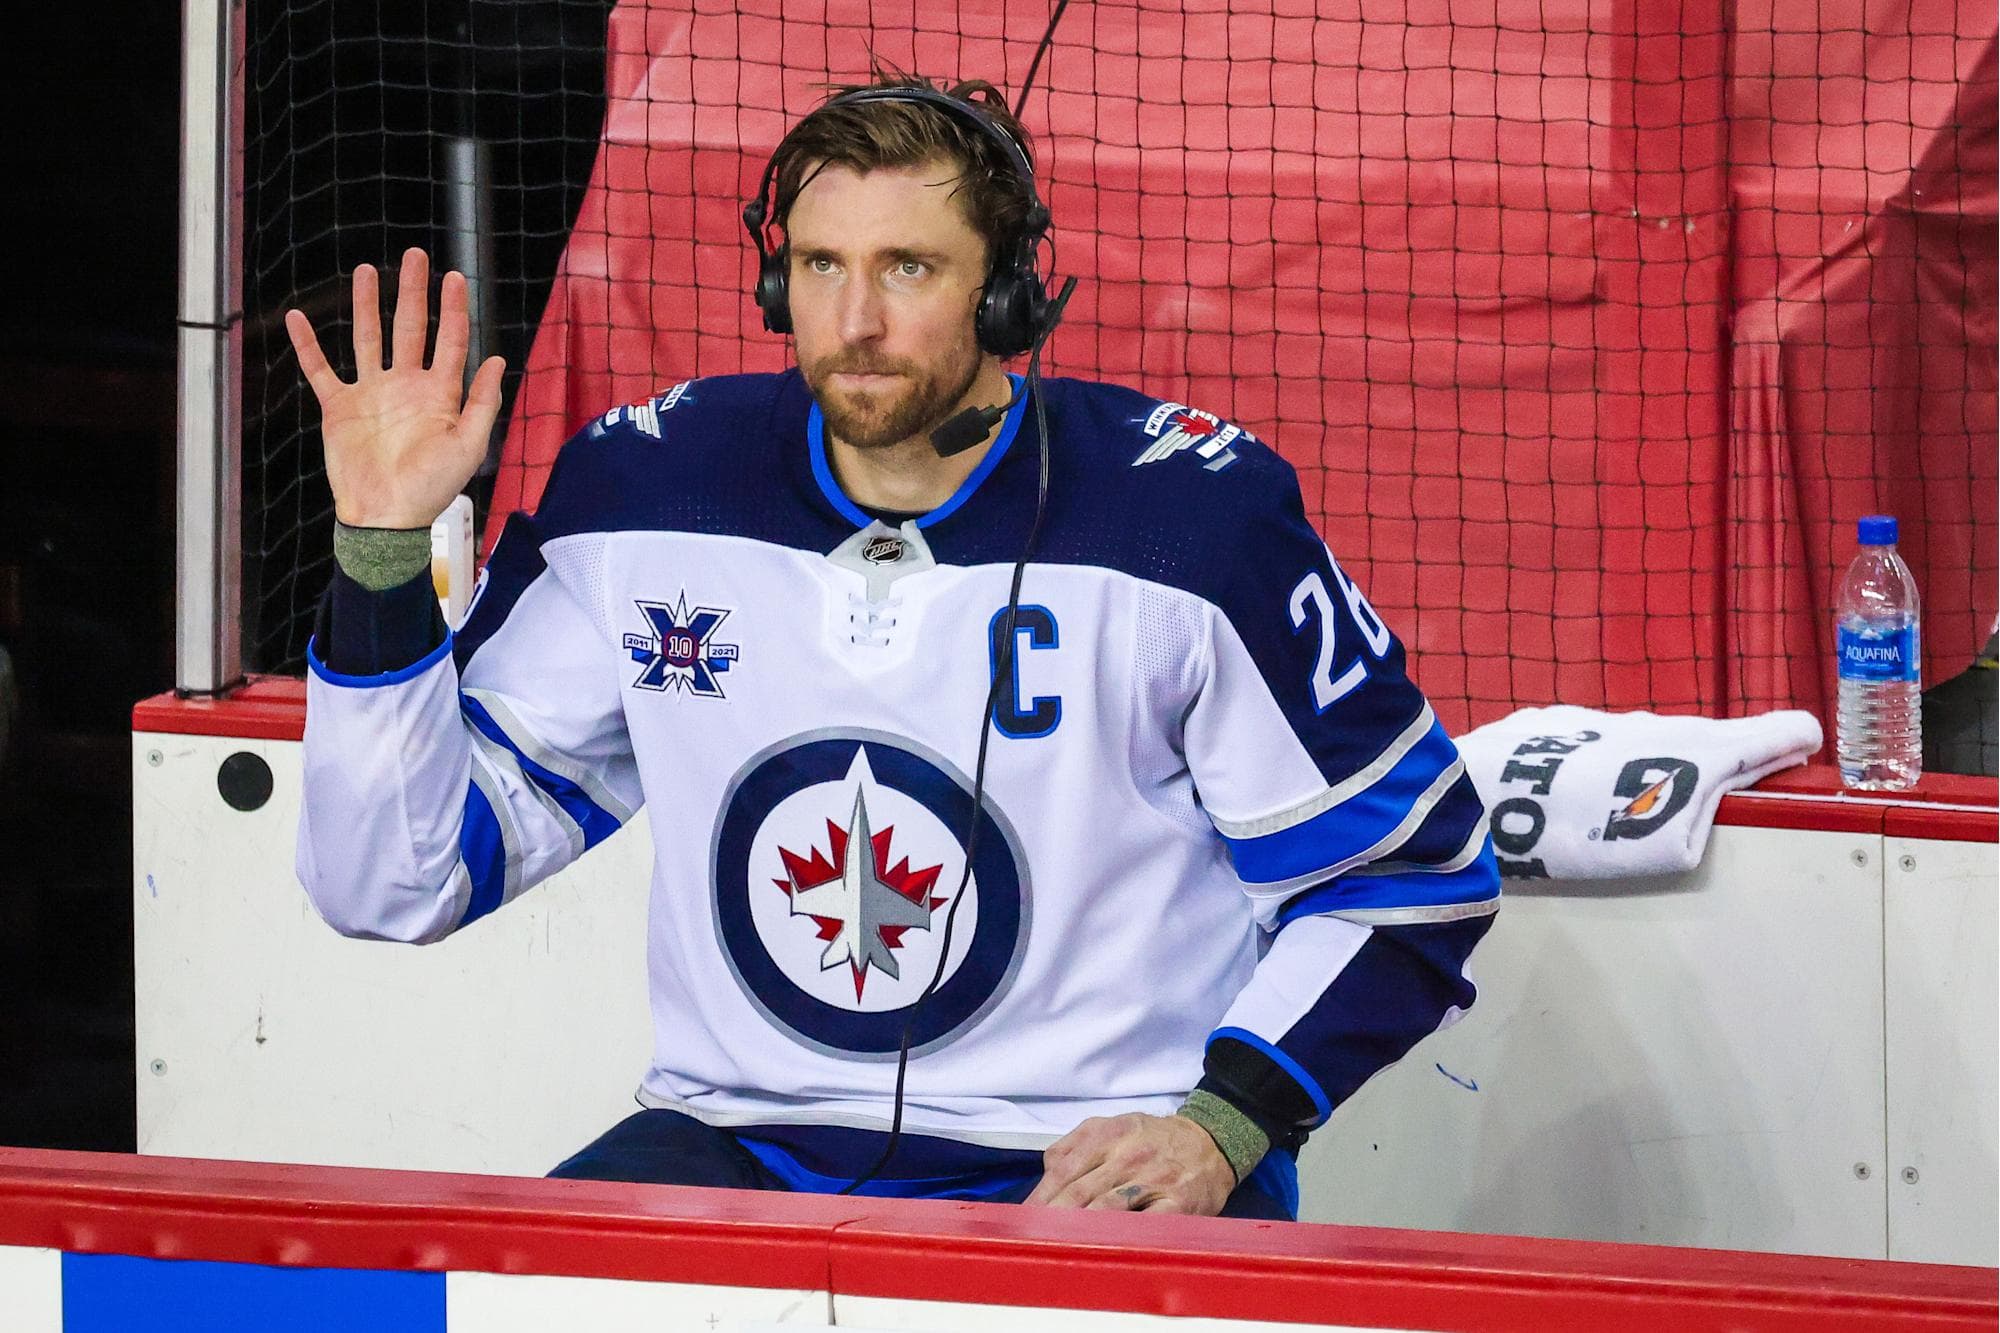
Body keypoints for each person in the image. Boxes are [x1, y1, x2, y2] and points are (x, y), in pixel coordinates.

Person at [286, 73, 1499, 1220]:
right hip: (740, 1136)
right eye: (821, 266)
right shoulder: (644, 490)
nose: (855, 322)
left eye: (906, 267)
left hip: (1083, 1156)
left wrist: (1222, 1127)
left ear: (1007, 295)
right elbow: (396, 883)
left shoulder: (1191, 522)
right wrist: (380, 550)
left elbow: (1409, 875)